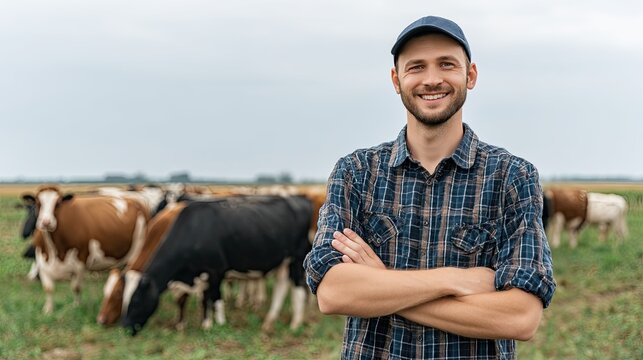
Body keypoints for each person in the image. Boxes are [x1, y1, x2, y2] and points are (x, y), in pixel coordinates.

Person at [303, 15, 556, 359]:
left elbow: (521, 317)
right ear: (396, 80)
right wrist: (454, 279)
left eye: (447, 65)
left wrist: (380, 280)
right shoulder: (356, 173)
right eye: (416, 67)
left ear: (471, 75)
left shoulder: (512, 177)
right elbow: (333, 293)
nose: (432, 79)